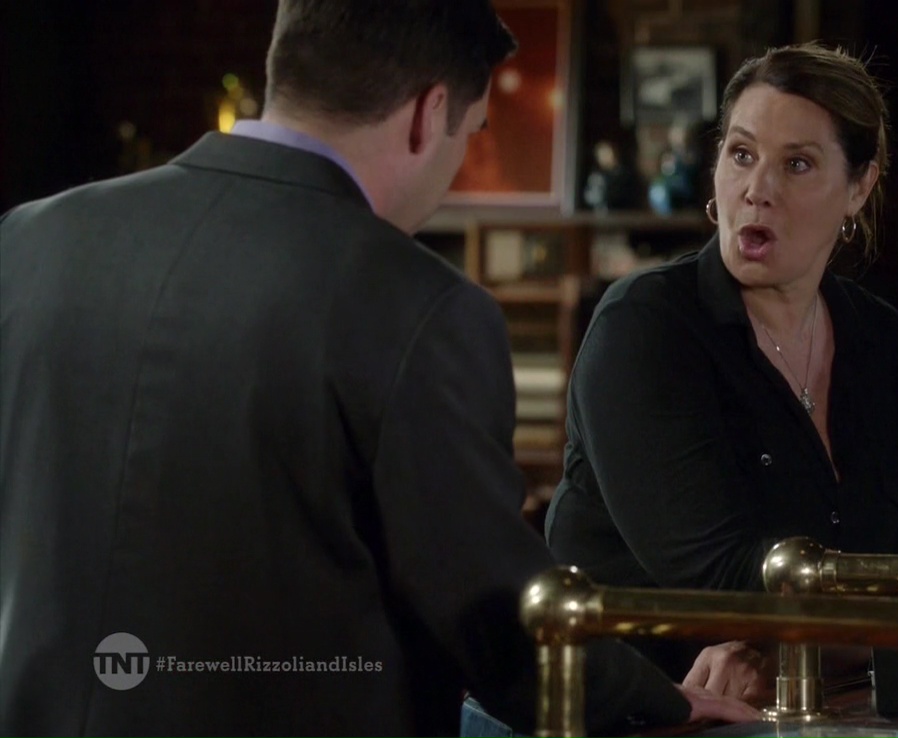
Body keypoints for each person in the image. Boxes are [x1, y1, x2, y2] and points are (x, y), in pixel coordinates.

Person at [0, 2, 757, 737]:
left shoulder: (30, 240)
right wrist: (659, 700)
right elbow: (497, 615)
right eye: (472, 132)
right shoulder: (418, 304)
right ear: (431, 114)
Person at [544, 43, 898, 692]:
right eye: (742, 155)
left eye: (797, 164)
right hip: (620, 708)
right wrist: (870, 640)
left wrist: (805, 654)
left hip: (822, 705)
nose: (757, 191)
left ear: (859, 187)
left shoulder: (883, 342)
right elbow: (719, 584)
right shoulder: (646, 326)